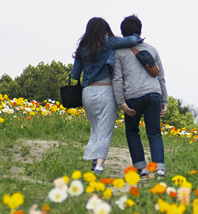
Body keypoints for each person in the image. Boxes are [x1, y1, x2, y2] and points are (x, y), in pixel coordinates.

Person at [69, 18, 142, 174]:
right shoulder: (108, 42)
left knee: (95, 128)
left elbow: (74, 75)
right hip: (106, 90)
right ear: (105, 28)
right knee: (105, 130)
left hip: (87, 93)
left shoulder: (83, 47)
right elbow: (134, 39)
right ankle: (99, 166)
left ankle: (95, 161)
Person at [112, 15, 168, 180]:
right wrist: (164, 101)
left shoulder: (119, 53)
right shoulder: (152, 49)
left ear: (123, 33)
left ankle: (141, 169)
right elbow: (161, 77)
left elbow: (117, 78)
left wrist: (121, 102)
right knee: (154, 132)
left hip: (133, 96)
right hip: (153, 94)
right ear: (140, 31)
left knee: (132, 130)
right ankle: (159, 170)